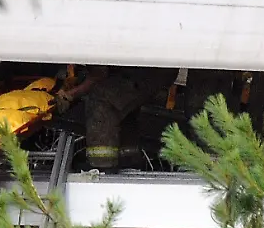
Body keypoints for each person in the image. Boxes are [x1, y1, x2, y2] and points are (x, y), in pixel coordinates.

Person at [48, 63, 178, 171]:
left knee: (102, 99)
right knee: (121, 102)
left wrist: (70, 95)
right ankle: (129, 157)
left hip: (149, 69)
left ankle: (101, 166)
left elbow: (97, 76)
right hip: (147, 66)